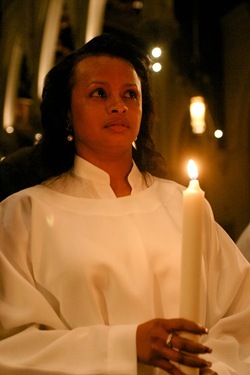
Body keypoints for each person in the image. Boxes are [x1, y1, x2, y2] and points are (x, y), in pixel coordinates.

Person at [0, 33, 249, 375]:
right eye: (99, 93)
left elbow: (240, 313)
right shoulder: (23, 215)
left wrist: (210, 365)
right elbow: (11, 345)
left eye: (130, 94)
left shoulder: (182, 204)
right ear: (67, 113)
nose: (118, 105)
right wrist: (122, 345)